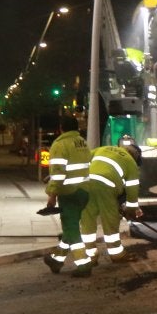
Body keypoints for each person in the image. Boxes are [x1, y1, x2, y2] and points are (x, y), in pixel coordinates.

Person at [76, 142, 143, 277]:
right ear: (136, 157)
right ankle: (117, 254)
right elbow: (132, 189)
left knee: (87, 221)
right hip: (106, 188)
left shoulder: (102, 148)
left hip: (85, 184)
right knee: (110, 221)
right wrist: (131, 209)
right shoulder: (131, 163)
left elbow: (81, 161)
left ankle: (90, 257)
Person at [41, 115, 93, 275]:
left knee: (71, 229)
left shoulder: (60, 144)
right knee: (70, 228)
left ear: (61, 128)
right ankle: (57, 260)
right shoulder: (83, 142)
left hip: (69, 193)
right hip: (84, 191)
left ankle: (84, 265)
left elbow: (58, 174)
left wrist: (52, 195)